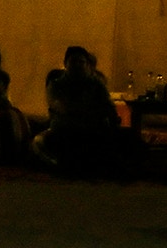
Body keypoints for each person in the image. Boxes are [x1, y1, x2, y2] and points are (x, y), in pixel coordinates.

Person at [33, 47, 128, 176]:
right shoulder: (56, 85)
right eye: (73, 61)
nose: (77, 65)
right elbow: (62, 108)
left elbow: (109, 107)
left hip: (94, 129)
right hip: (65, 130)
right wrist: (92, 111)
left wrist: (108, 118)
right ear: (65, 64)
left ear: (87, 65)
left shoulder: (96, 84)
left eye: (81, 62)